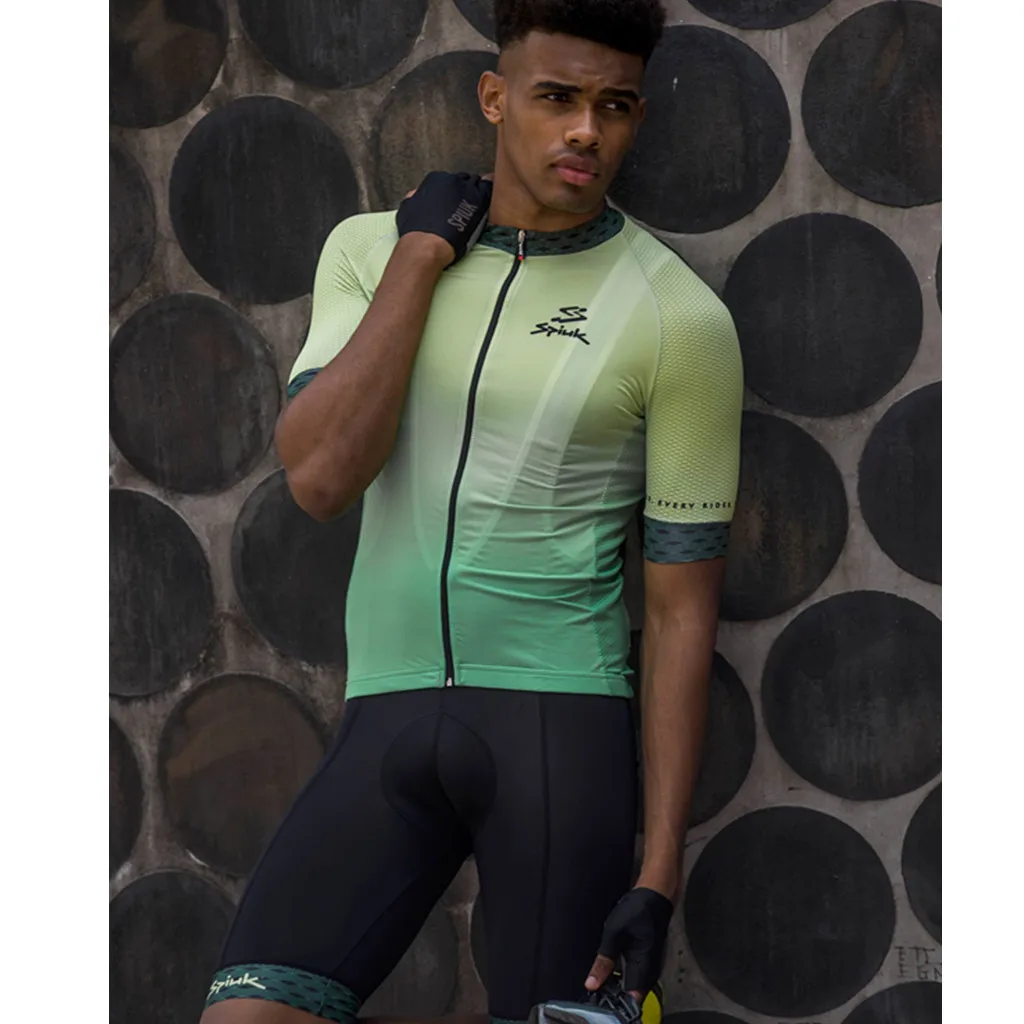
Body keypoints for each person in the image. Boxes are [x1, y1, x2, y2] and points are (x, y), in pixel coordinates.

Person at [200, 0, 742, 1021]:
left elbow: (680, 612)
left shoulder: (678, 316)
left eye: (614, 106)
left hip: (556, 732)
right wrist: (421, 256)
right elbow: (319, 477)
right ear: (495, 98)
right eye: (556, 97)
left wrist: (659, 869)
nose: (585, 130)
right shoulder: (370, 251)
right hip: (385, 719)